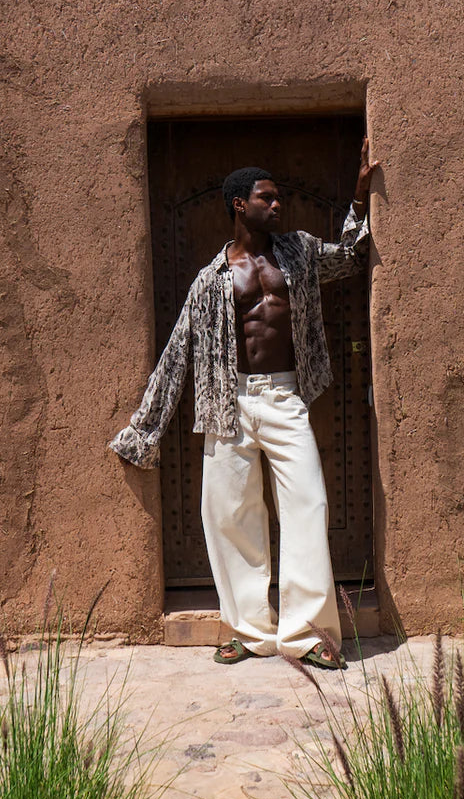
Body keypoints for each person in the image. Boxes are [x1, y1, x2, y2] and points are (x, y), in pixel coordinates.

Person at [110, 138, 379, 669]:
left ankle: (304, 636)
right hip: (227, 404)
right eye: (267, 197)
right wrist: (145, 430)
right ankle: (251, 632)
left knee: (308, 504)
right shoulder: (210, 282)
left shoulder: (298, 252)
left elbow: (350, 258)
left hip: (283, 397)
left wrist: (359, 200)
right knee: (230, 518)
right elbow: (177, 353)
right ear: (240, 204)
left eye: (279, 197)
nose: (277, 205)